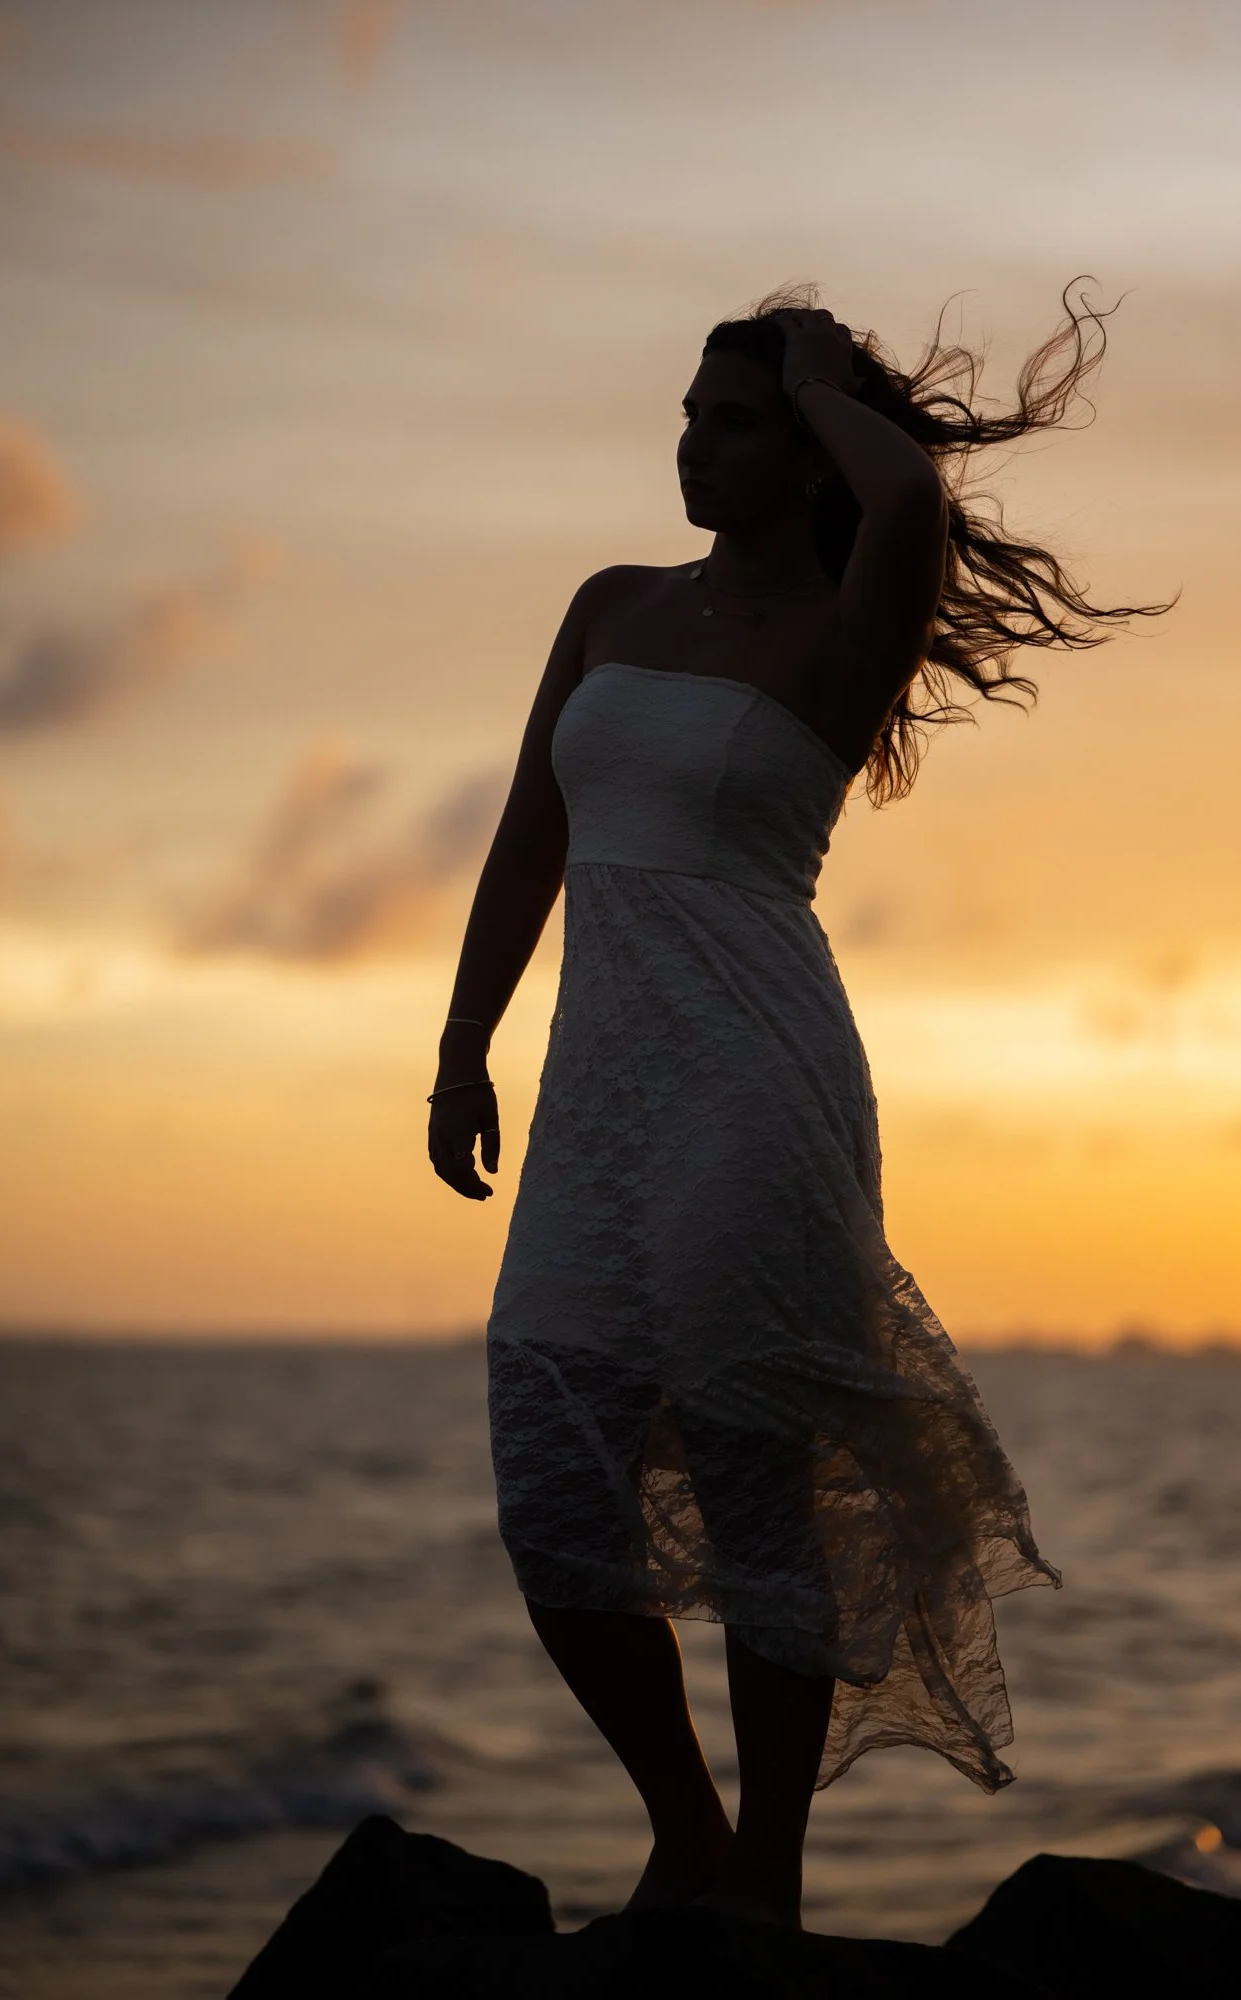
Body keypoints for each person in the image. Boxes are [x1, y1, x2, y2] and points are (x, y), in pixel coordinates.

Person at [427, 282, 1171, 1930]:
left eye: (737, 419)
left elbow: (906, 497)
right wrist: (462, 1041)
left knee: (762, 1487)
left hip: (755, 1087)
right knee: (554, 1484)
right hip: (599, 1095)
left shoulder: (852, 625)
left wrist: (836, 384)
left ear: (814, 452)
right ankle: (683, 1827)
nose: (695, 441)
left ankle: (761, 1873)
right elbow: (529, 836)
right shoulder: (610, 605)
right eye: (690, 412)